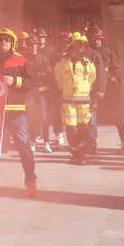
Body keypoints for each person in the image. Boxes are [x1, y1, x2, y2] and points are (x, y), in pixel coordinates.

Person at [0, 27, 36, 197]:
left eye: (7, 41)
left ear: (12, 43)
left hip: (16, 110)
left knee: (23, 146)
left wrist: (15, 81)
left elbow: (32, 82)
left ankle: (30, 182)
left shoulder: (21, 60)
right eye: (1, 40)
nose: (4, 43)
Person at [54, 33, 96, 165]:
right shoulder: (62, 63)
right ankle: (75, 153)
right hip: (68, 101)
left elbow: (92, 78)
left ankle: (81, 155)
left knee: (83, 128)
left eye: (82, 47)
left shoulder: (88, 64)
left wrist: (85, 90)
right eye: (77, 46)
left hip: (84, 101)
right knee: (70, 128)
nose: (80, 49)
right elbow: (58, 77)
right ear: (71, 47)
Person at [86, 26, 124, 153]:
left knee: (117, 114)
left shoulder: (108, 52)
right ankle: (91, 142)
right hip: (94, 89)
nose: (97, 42)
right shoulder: (88, 53)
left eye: (99, 39)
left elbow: (117, 69)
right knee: (91, 115)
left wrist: (113, 79)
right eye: (95, 39)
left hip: (109, 88)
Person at [25, 32, 54, 153]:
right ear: (28, 46)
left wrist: (45, 87)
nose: (33, 47)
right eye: (31, 45)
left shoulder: (44, 59)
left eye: (35, 44)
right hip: (30, 92)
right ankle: (31, 141)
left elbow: (50, 76)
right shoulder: (24, 60)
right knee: (31, 116)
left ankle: (46, 142)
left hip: (42, 92)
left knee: (44, 117)